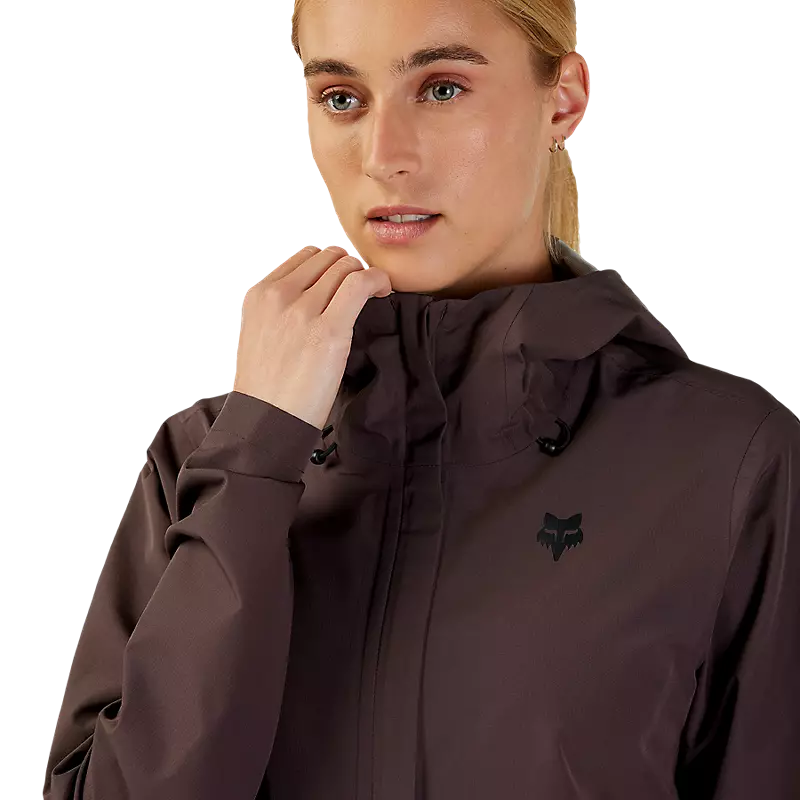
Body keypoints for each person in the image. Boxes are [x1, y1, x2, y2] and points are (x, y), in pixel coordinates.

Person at [42, 0, 800, 797]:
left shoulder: (729, 466)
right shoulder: (207, 459)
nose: (384, 156)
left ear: (564, 100)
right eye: (342, 97)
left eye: (441, 88)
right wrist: (257, 454)